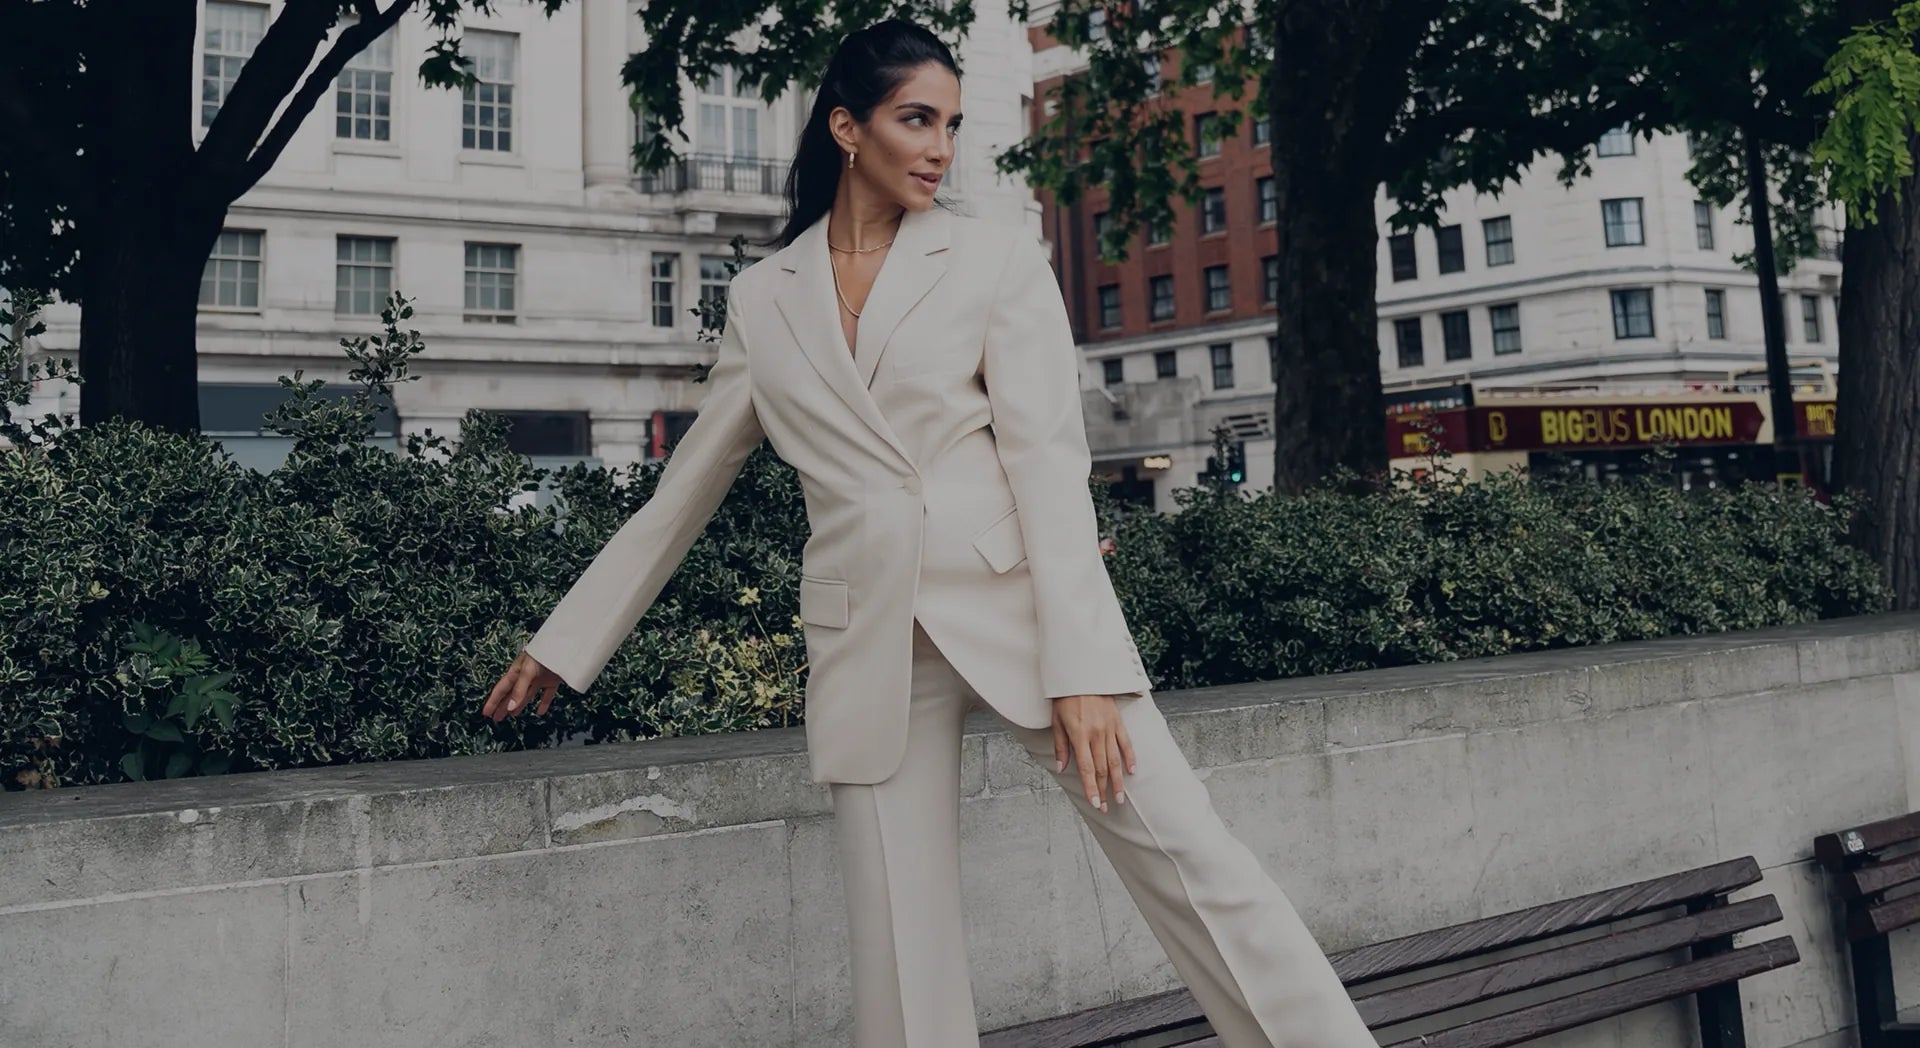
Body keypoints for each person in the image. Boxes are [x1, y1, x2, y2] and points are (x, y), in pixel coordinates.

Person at [482, 18, 1376, 1048]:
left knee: (1196, 865)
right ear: (848, 130)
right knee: (903, 964)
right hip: (870, 643)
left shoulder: (995, 257)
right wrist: (567, 640)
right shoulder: (765, 300)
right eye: (918, 119)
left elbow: (1049, 462)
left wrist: (1081, 665)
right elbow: (683, 491)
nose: (942, 147)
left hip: (1022, 616)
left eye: (952, 123)